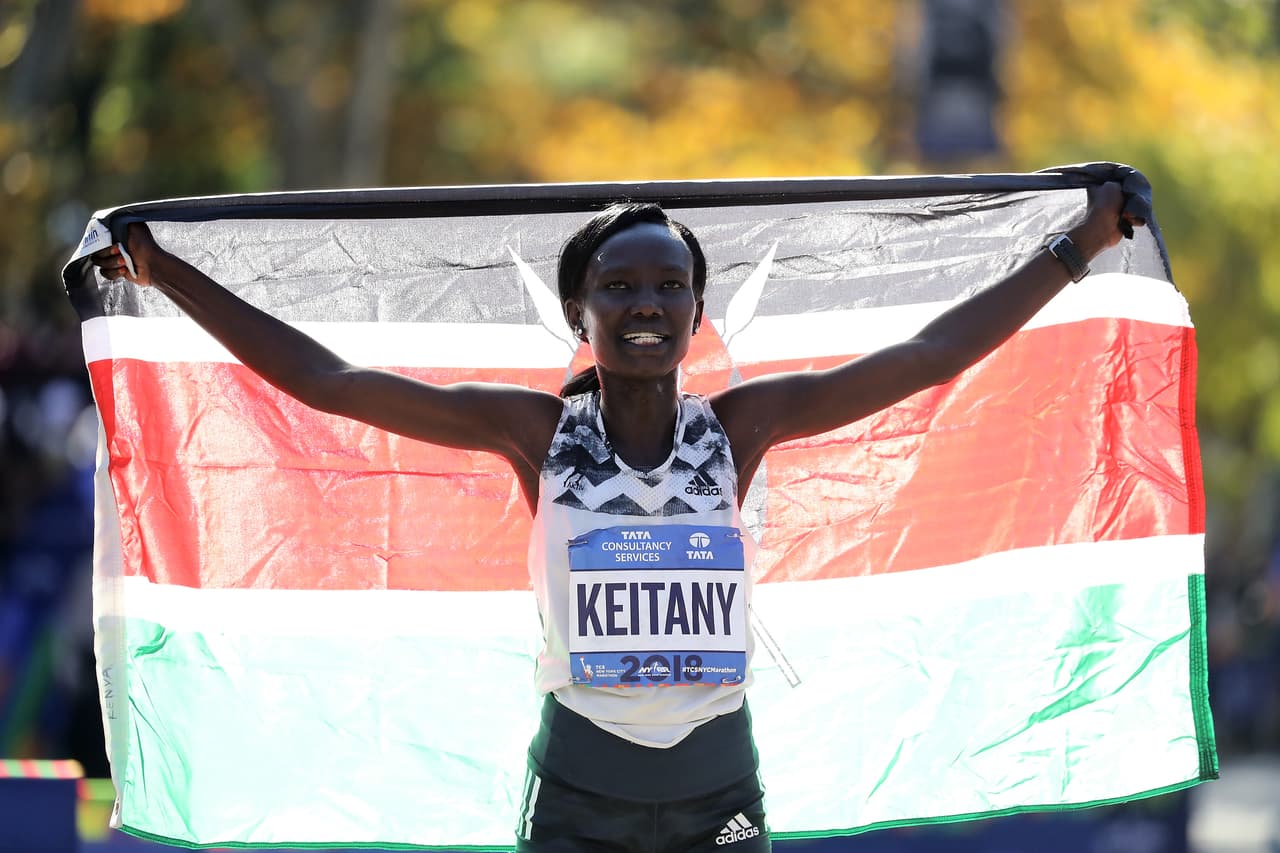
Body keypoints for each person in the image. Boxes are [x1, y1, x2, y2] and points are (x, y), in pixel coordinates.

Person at [91, 181, 1139, 852]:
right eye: (620, 284)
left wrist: (1077, 246)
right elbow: (329, 379)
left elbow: (923, 362)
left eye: (667, 284)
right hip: (581, 794)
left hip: (717, 790)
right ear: (579, 310)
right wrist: (167, 272)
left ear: (695, 310)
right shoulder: (537, 435)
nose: (645, 301)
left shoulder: (739, 428)